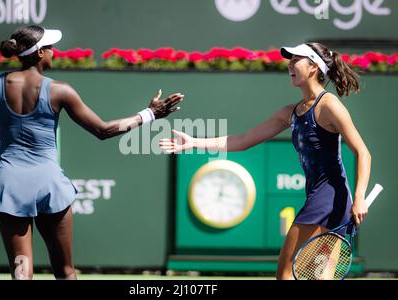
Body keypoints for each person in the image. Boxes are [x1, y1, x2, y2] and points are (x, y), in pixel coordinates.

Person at [0, 25, 184, 280]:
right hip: (48, 185)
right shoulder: (60, 90)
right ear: (41, 53)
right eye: (51, 48)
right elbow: (103, 130)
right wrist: (150, 114)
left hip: (9, 185)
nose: (54, 52)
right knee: (65, 271)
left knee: (21, 273)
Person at [159, 42, 371, 280]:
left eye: (295, 61)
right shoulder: (289, 113)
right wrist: (194, 143)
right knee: (320, 278)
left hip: (329, 201)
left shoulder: (329, 105)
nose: (289, 66)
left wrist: (360, 198)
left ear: (313, 67)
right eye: (289, 61)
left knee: (286, 275)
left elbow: (363, 152)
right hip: (322, 199)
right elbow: (243, 140)